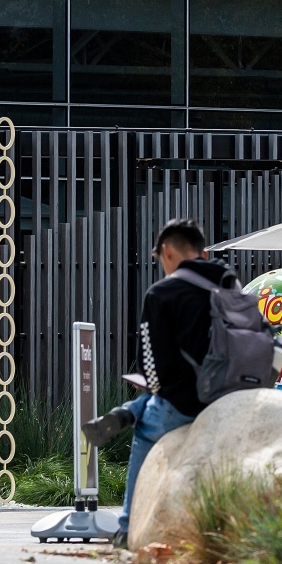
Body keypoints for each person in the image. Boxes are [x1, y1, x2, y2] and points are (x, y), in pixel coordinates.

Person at [81, 218, 238, 533]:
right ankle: (127, 412)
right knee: (152, 400)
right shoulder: (230, 283)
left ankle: (126, 528)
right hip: (234, 391)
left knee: (147, 424)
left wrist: (154, 391)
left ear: (167, 252)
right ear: (202, 253)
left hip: (187, 401)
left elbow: (150, 364)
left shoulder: (162, 293)